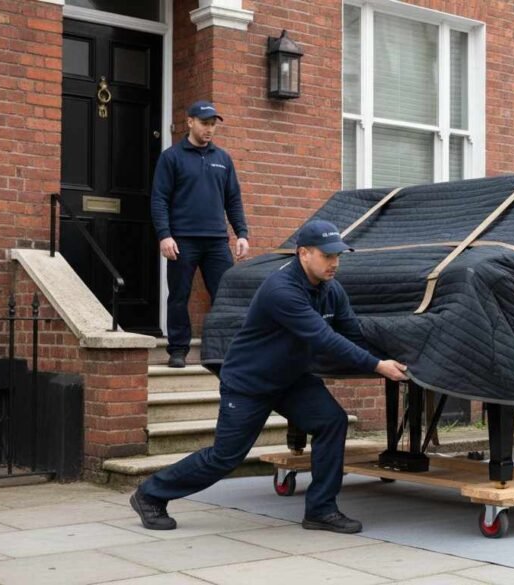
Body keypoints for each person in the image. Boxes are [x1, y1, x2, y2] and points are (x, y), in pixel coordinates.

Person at [130, 220, 410, 533]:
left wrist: (395, 358)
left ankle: (321, 510)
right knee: (226, 456)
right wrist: (376, 365)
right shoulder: (282, 291)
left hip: (291, 378)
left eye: (338, 256)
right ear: (304, 253)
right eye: (327, 256)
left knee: (332, 421)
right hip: (250, 381)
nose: (335, 263)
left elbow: (351, 332)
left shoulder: (331, 290)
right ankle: (150, 494)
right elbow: (324, 339)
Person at [151, 100, 250, 368]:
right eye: (205, 123)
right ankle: (178, 350)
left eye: (213, 124)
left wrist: (241, 233)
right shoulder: (171, 157)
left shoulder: (223, 159)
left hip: (217, 240)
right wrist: (164, 235)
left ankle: (225, 350)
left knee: (225, 295)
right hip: (182, 240)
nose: (209, 129)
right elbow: (159, 199)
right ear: (190, 122)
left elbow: (233, 200)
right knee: (179, 295)